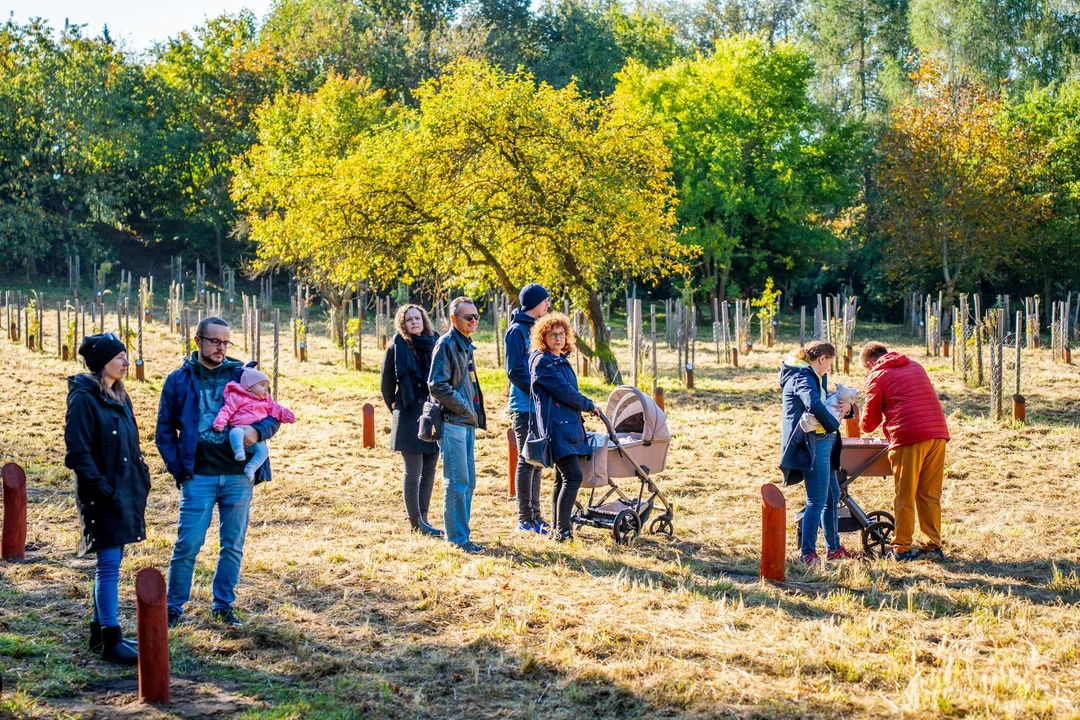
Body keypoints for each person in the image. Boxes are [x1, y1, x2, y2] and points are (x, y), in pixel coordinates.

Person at [156, 317, 281, 628]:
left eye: (226, 343)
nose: (221, 348)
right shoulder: (178, 380)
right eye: (215, 342)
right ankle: (173, 609)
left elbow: (273, 414)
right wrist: (180, 470)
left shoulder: (243, 374)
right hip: (198, 477)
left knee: (232, 545)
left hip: (239, 476)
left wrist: (257, 431)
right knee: (187, 545)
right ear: (197, 340)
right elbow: (164, 431)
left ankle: (223, 606)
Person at [64, 333, 150, 665]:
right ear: (103, 363)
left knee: (111, 564)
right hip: (103, 495)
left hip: (124, 491)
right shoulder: (84, 399)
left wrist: (140, 478)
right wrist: (102, 488)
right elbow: (78, 453)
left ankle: (101, 633)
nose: (127, 362)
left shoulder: (119, 396)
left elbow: (131, 446)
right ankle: (110, 639)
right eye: (120, 357)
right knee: (109, 565)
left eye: (126, 356)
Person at [859, 341, 950, 561]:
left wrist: (856, 417)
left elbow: (869, 423)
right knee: (929, 493)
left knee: (905, 495)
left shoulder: (877, 375)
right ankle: (933, 545)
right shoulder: (916, 365)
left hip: (908, 436)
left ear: (871, 363)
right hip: (937, 433)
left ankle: (901, 548)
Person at [779, 341, 857, 566]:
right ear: (822, 358)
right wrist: (833, 423)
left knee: (832, 497)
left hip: (824, 442)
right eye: (830, 363)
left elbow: (822, 400)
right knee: (817, 500)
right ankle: (808, 554)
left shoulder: (813, 375)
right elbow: (813, 403)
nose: (830, 369)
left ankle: (833, 549)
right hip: (814, 443)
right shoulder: (802, 377)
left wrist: (847, 408)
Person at [528, 312, 599, 543]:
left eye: (561, 334)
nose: (558, 338)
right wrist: (588, 404)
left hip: (569, 425)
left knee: (562, 478)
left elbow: (571, 392)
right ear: (543, 337)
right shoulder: (542, 362)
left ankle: (559, 528)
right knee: (573, 476)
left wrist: (586, 405)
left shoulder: (561, 360)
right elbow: (565, 392)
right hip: (556, 428)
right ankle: (562, 530)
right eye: (552, 334)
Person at [428, 297, 487, 554]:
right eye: (468, 317)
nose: (473, 321)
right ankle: (457, 539)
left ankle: (463, 534)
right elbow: (437, 385)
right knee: (457, 482)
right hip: (453, 421)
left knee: (469, 482)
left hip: (466, 422)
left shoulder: (466, 345)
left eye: (476, 316)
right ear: (454, 319)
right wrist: (463, 406)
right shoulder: (447, 344)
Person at [381, 304, 443, 538]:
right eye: (409, 320)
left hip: (434, 412)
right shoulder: (396, 347)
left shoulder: (436, 343)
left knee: (429, 469)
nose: (414, 322)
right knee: (413, 470)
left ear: (424, 320)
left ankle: (424, 518)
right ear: (402, 324)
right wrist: (396, 408)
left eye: (418, 318)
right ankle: (415, 521)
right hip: (408, 413)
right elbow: (386, 385)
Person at [504, 283, 551, 534]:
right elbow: (515, 371)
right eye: (544, 301)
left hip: (539, 405)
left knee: (537, 459)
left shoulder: (536, 329)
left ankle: (536, 516)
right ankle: (525, 519)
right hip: (524, 406)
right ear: (534, 303)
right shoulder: (517, 332)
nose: (547, 305)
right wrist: (535, 391)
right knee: (526, 458)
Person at [212, 368, 296, 482]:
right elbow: (227, 410)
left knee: (264, 451)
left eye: (267, 387)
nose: (266, 390)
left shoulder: (266, 401)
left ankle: (251, 467)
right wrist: (219, 423)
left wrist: (287, 415)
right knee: (236, 433)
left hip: (255, 434)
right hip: (239, 426)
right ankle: (239, 451)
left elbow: (277, 409)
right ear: (249, 387)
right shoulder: (237, 396)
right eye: (262, 386)